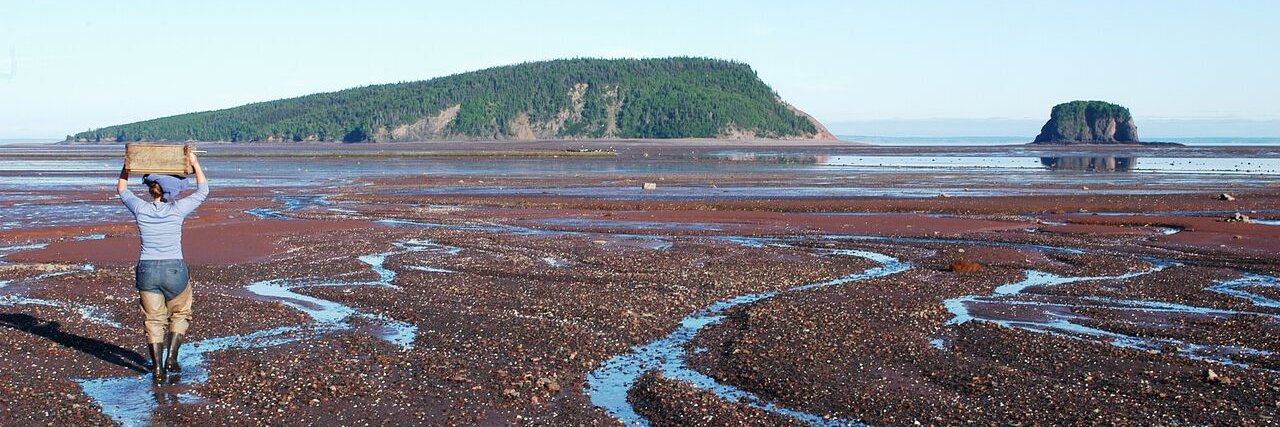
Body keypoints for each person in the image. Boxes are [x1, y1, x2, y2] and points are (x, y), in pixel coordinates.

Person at [116, 150, 208, 385]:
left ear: (150, 190)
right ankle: (172, 359)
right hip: (174, 269)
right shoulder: (177, 209)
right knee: (180, 313)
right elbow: (203, 191)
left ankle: (157, 369)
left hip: (146, 270)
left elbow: (122, 189)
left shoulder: (140, 208)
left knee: (154, 321)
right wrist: (195, 164)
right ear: (170, 191)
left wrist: (127, 166)